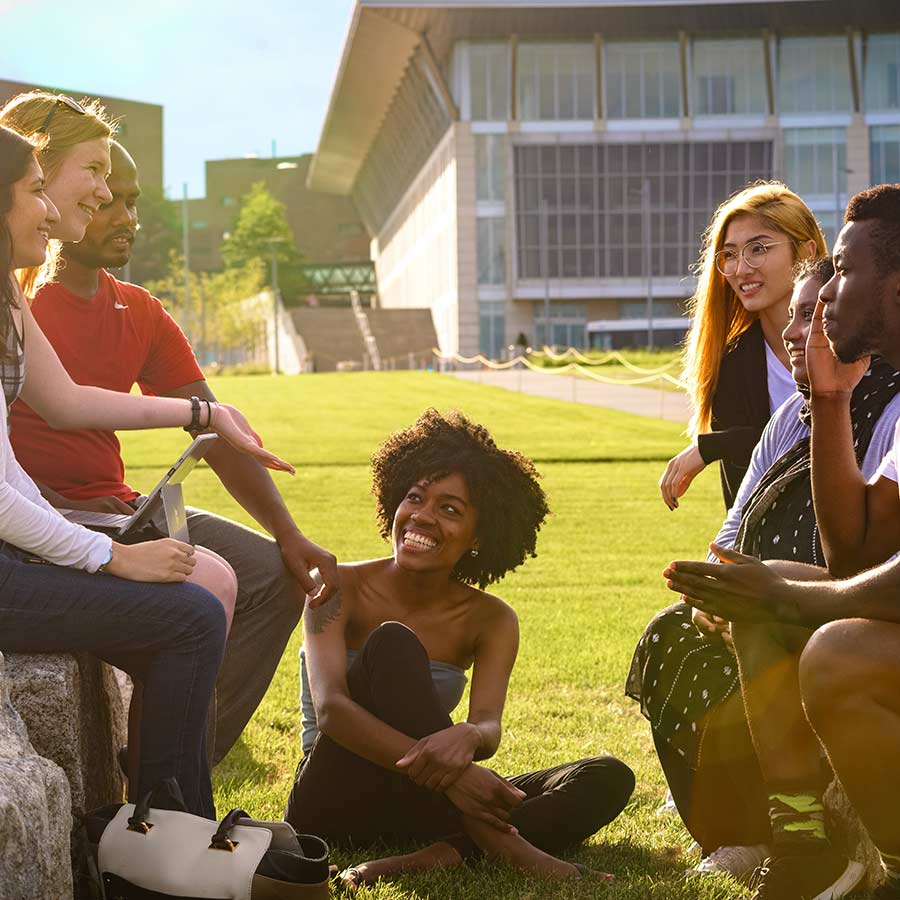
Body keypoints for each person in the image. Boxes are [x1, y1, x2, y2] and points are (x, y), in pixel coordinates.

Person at [0, 93, 337, 763]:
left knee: (264, 571)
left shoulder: (137, 309)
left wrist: (289, 533)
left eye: (127, 197)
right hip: (60, 511)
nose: (113, 206)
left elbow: (201, 431)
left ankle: (187, 758)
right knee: (204, 585)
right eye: (97, 181)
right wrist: (106, 554)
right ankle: (161, 785)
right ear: (34, 176)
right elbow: (43, 438)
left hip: (125, 504)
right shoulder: (22, 290)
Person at [629, 255, 900, 885]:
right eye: (804, 310)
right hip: (859, 597)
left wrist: (789, 598)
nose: (814, 319)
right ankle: (794, 837)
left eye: (846, 273)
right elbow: (849, 558)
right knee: (727, 609)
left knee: (829, 644)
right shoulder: (797, 413)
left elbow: (856, 566)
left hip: (857, 616)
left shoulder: (888, 404)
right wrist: (831, 397)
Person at [285, 410, 634, 889]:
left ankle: (439, 856)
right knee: (391, 643)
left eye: (450, 509)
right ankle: (509, 847)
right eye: (414, 497)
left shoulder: (491, 618)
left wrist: (470, 735)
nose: (422, 516)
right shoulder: (340, 585)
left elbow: (489, 724)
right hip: (331, 796)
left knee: (607, 776)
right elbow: (332, 711)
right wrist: (457, 779)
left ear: (479, 536)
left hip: (422, 804)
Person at [659, 182, 827, 511]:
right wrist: (723, 445)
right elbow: (743, 502)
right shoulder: (732, 364)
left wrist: (715, 447)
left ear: (806, 252)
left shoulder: (856, 342)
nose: (740, 269)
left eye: (758, 249)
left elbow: (856, 441)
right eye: (730, 255)